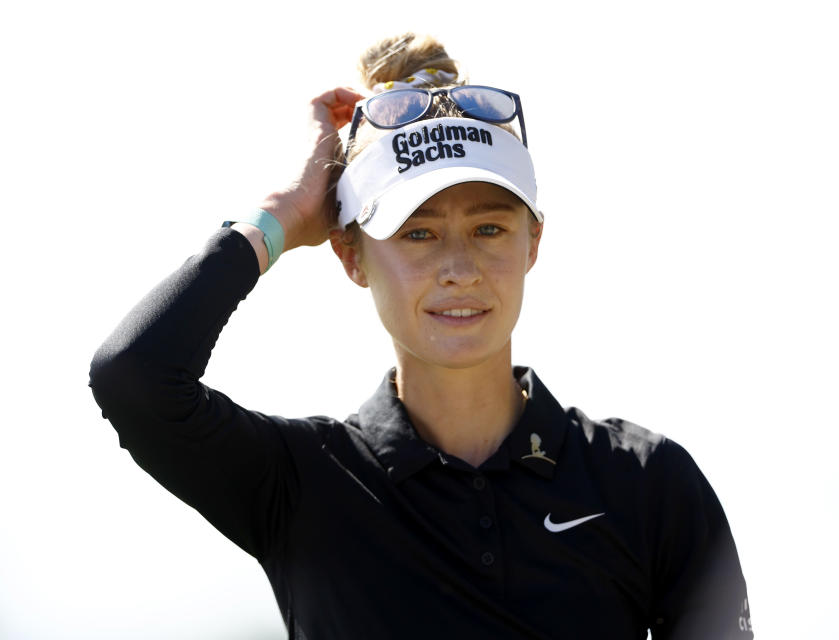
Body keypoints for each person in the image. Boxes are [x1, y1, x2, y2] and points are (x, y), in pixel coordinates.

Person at [89, 33, 753, 639]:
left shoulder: (646, 483)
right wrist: (284, 213)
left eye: (489, 229)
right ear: (351, 255)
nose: (459, 270)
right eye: (418, 233)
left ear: (533, 244)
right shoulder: (304, 485)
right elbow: (134, 376)